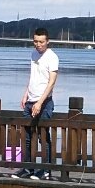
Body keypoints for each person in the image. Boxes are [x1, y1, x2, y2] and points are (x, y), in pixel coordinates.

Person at [18, 26, 59, 179]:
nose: (38, 44)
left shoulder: (52, 57)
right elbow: (32, 77)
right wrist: (25, 95)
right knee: (27, 137)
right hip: (30, 101)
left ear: (47, 41)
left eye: (41, 42)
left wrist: (40, 102)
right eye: (35, 41)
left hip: (44, 102)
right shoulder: (33, 54)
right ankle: (28, 168)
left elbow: (51, 82)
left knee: (43, 137)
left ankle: (46, 170)